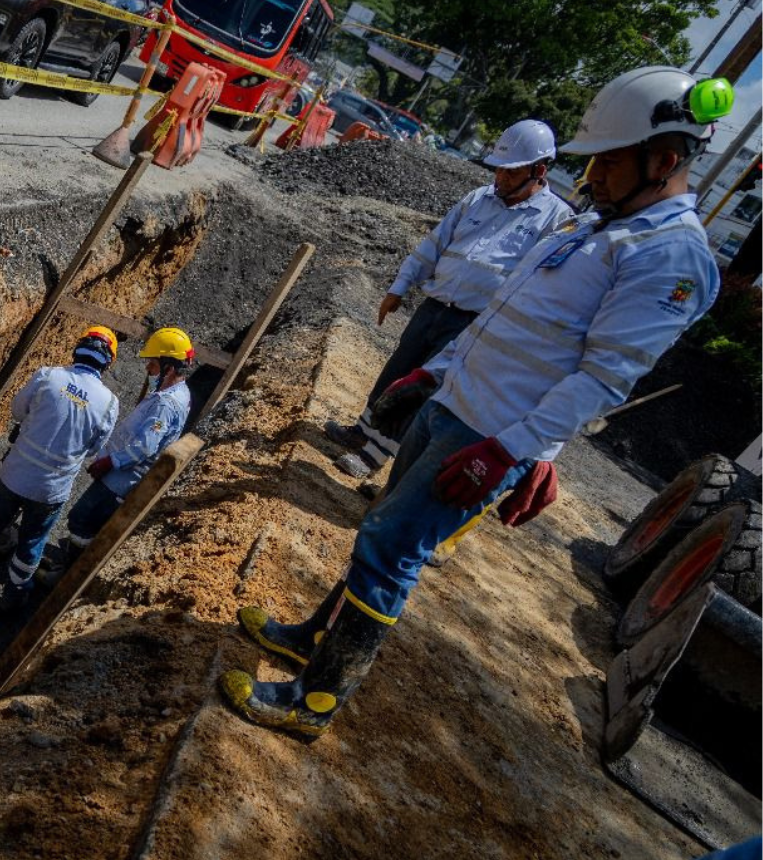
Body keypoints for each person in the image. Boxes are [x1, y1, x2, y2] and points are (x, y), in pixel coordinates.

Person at [222, 66, 732, 740]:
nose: (595, 174)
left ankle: (315, 701)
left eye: (609, 160)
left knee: (393, 551)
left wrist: (513, 453)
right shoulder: (595, 226)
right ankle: (312, 637)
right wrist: (431, 372)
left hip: (490, 434)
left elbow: (604, 379)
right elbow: (503, 313)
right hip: (456, 402)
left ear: (663, 161)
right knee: (382, 529)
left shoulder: (669, 258)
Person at [326, 119, 575, 481]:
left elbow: (542, 285)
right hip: (435, 306)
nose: (500, 178)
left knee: (422, 388)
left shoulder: (556, 220)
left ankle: (372, 457)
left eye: (511, 172)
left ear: (538, 171)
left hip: (473, 323)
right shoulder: (479, 198)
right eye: (499, 170)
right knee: (398, 370)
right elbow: (435, 244)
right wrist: (400, 286)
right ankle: (363, 431)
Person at [0, 326, 120, 612]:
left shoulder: (49, 375)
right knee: (31, 545)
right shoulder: (109, 403)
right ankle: (13, 600)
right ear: (108, 361)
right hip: (52, 489)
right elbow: (93, 449)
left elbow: (17, 411)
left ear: (79, 348)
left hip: (15, 475)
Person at [37, 327, 195, 586]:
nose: (148, 369)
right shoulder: (177, 394)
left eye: (153, 365)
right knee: (86, 522)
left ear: (169, 367)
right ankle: (67, 566)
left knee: (82, 520)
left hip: (122, 479)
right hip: (121, 475)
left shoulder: (167, 404)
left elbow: (147, 445)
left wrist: (111, 461)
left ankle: (67, 579)